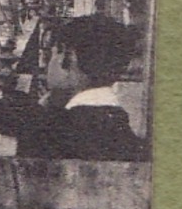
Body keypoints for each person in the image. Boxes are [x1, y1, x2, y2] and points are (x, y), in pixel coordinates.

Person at [14, 14, 148, 161]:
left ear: (68, 57)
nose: (46, 66)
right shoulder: (131, 141)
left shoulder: (44, 137)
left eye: (51, 55)